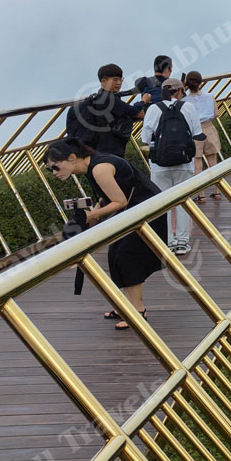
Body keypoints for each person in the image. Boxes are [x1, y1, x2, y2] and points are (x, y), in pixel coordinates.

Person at [44, 137, 168, 329]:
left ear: (72, 158)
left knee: (127, 256)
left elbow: (120, 201)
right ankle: (125, 306)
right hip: (137, 211)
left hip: (148, 211)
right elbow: (107, 196)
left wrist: (91, 215)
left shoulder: (99, 168)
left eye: (55, 167)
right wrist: (93, 214)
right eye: (50, 170)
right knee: (116, 255)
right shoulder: (92, 166)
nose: (54, 173)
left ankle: (138, 311)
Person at [141, 78, 204, 255]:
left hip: (159, 164)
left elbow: (145, 138)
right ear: (179, 91)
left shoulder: (154, 109)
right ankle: (182, 242)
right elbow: (197, 133)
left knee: (163, 204)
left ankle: (167, 241)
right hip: (184, 162)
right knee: (183, 202)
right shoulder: (188, 107)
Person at [66, 64, 150, 156]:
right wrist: (143, 101)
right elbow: (139, 113)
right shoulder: (108, 98)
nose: (119, 83)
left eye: (121, 79)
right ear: (103, 81)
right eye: (115, 79)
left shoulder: (95, 100)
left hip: (94, 151)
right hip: (110, 151)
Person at [183, 71, 221, 204]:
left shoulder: (184, 100)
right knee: (213, 163)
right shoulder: (210, 96)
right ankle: (217, 191)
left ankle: (201, 195)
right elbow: (216, 114)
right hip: (209, 128)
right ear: (200, 82)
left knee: (197, 165)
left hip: (194, 131)